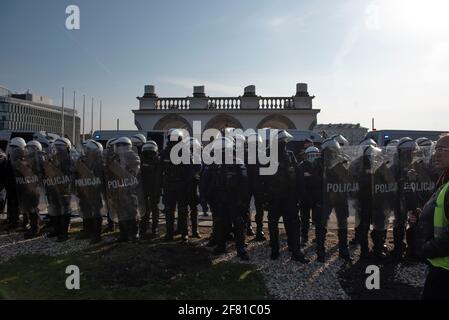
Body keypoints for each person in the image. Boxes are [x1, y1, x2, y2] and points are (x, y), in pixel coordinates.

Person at [413, 134, 449, 299]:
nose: (436, 154)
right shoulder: (444, 181)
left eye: (443, 149)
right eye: (436, 149)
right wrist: (424, 217)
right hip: (439, 266)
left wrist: (427, 248)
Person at [264, 130, 308, 263]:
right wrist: (264, 198)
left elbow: (298, 175)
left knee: (293, 224)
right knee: (273, 224)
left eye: (284, 142)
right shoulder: (267, 155)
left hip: (290, 197)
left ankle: (295, 251)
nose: (283, 144)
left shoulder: (290, 155)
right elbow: (263, 179)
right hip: (274, 197)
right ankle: (275, 249)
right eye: (281, 142)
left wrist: (300, 194)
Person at [203, 136, 250, 260]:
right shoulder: (213, 164)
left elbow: (245, 184)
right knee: (220, 223)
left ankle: (240, 248)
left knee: (239, 223)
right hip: (219, 199)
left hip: (234, 199)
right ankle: (221, 245)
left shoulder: (238, 162)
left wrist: (242, 201)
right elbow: (207, 181)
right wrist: (208, 197)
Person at [318, 138, 352, 262]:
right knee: (322, 223)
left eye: (334, 150)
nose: (333, 153)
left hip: (340, 196)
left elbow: (348, 178)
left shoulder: (342, 162)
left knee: (343, 222)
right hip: (326, 197)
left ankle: (343, 249)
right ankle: (320, 250)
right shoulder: (319, 163)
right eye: (330, 151)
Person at [73, 140, 105, 244]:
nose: (85, 151)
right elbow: (75, 173)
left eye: (88, 150)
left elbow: (100, 179)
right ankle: (87, 231)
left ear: (95, 151)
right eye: (85, 149)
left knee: (96, 212)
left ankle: (96, 235)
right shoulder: (82, 160)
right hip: (83, 190)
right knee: (85, 210)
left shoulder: (99, 163)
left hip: (95, 192)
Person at [161, 129, 190, 242]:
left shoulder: (185, 152)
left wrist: (187, 185)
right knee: (169, 210)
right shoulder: (164, 153)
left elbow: (190, 171)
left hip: (182, 185)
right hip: (169, 185)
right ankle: (169, 233)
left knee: (183, 210)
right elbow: (160, 170)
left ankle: (184, 233)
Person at [42, 137, 73, 242]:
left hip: (64, 189)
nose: (58, 149)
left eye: (61, 147)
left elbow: (69, 175)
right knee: (55, 209)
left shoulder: (69, 160)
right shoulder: (54, 158)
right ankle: (57, 229)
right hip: (53, 188)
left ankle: (63, 233)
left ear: (67, 148)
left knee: (64, 210)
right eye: (57, 147)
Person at [297, 146, 322, 246]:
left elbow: (322, 181)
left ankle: (318, 237)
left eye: (315, 155)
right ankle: (304, 237)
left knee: (317, 219)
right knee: (304, 219)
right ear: (306, 156)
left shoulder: (321, 166)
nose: (313, 157)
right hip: (305, 197)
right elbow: (299, 182)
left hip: (317, 197)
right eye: (310, 155)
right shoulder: (302, 166)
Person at [140, 140, 162, 238]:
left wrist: (158, 190)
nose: (149, 153)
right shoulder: (141, 159)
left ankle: (153, 228)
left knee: (153, 209)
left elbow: (159, 177)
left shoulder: (157, 160)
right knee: (146, 209)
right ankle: (145, 227)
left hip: (152, 188)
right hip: (145, 188)